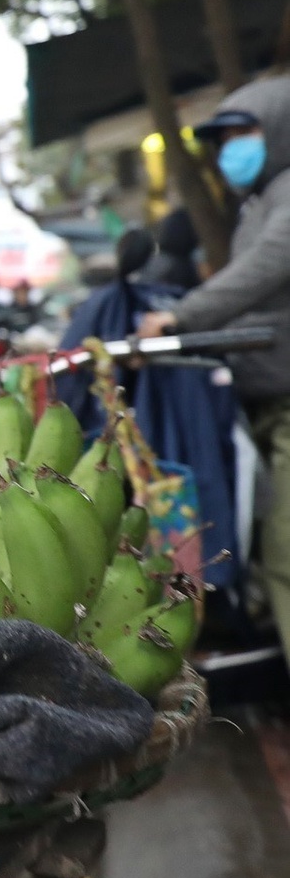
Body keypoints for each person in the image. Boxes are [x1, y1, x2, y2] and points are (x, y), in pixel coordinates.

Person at [140, 85, 290, 663]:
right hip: (268, 396)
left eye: (242, 134)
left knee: (282, 548)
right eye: (224, 140)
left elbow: (261, 273)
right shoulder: (257, 204)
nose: (232, 150)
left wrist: (180, 316)